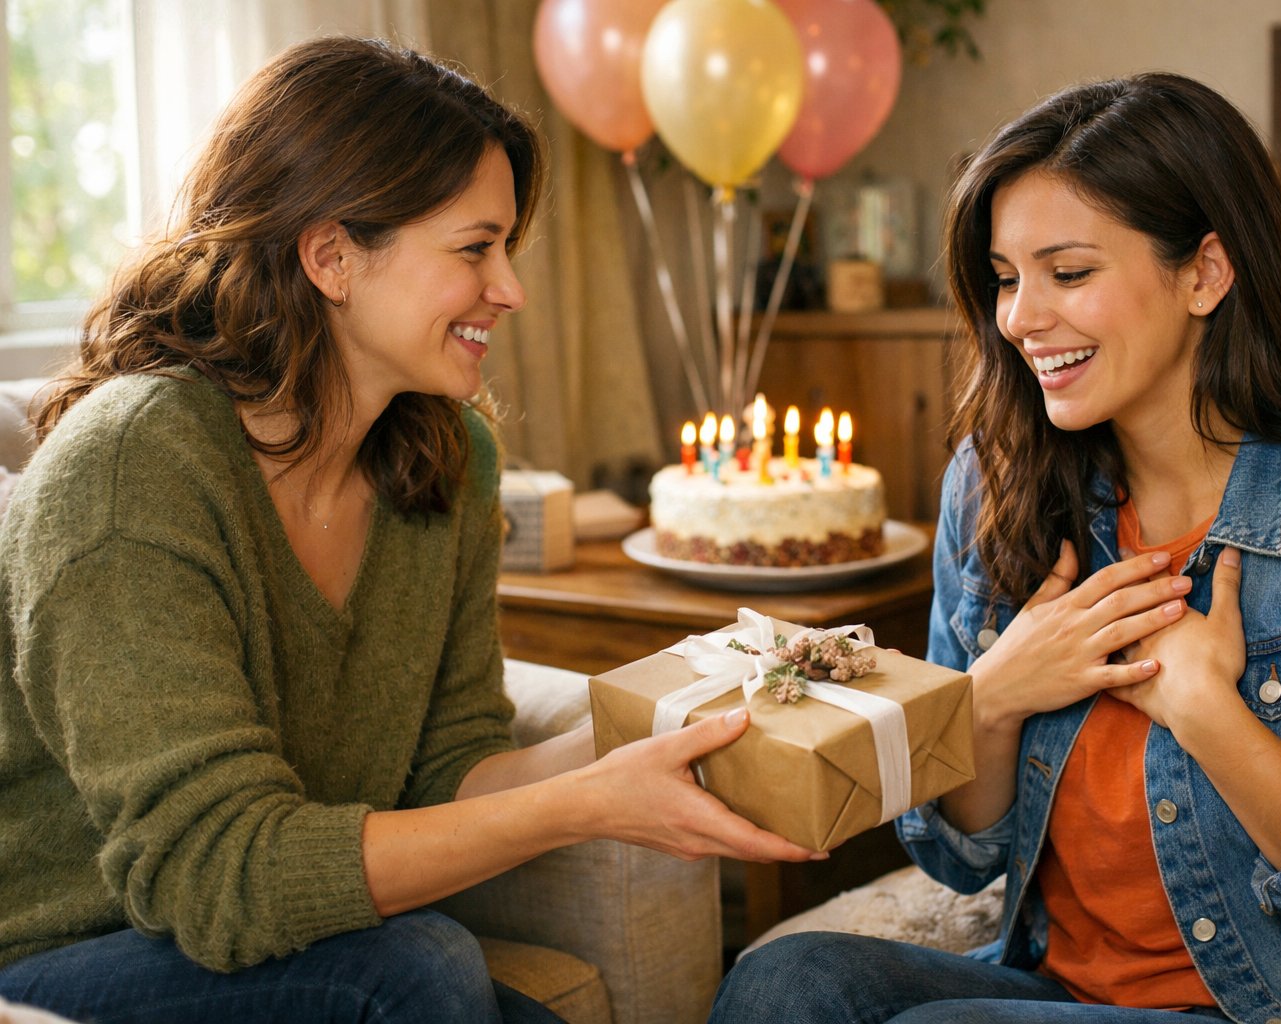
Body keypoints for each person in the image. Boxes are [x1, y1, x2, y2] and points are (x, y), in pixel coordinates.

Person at [0, 36, 822, 1024]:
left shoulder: (444, 456)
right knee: (419, 969)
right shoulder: (131, 473)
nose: (511, 288)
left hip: (282, 947)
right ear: (332, 255)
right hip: (60, 948)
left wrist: (689, 708)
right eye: (475, 248)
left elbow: (452, 766)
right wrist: (585, 803)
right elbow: (216, 880)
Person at [711, 72, 1281, 1023]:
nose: (1019, 319)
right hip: (1060, 989)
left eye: (1068, 273)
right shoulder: (998, 482)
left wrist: (1207, 716)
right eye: (1007, 280)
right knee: (782, 980)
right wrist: (992, 696)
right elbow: (958, 854)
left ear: (1205, 273)